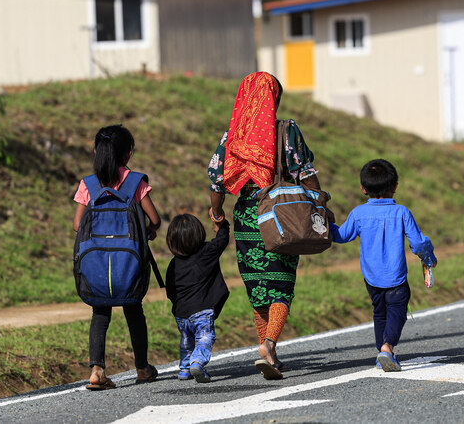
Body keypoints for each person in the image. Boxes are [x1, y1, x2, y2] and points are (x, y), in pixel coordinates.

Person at [208, 71, 323, 380]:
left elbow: (217, 181)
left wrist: (217, 213)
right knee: (281, 284)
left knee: (258, 286)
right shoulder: (287, 130)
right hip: (279, 214)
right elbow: (304, 172)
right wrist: (320, 201)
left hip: (245, 216)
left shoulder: (233, 135)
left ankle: (268, 352)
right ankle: (269, 344)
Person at [73, 125, 161, 390]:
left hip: (96, 263)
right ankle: (142, 367)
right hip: (129, 263)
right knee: (134, 309)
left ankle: (97, 370)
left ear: (96, 152)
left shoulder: (88, 184)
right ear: (129, 153)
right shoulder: (136, 182)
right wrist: (147, 232)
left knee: (100, 312)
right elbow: (154, 219)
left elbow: (78, 225)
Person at [330, 158, 437, 373]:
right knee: (397, 311)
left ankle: (382, 353)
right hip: (396, 276)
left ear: (363, 188)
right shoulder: (402, 212)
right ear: (395, 186)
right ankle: (387, 348)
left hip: (371, 277)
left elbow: (341, 236)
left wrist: (323, 224)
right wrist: (428, 257)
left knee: (380, 313)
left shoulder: (359, 213)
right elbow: (417, 243)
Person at [165, 213, 230, 383]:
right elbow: (222, 240)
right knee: (204, 337)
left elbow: (170, 290)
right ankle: (198, 362)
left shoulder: (173, 263)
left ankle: (185, 369)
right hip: (202, 310)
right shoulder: (206, 252)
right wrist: (222, 225)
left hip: (181, 313)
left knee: (186, 341)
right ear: (198, 234)